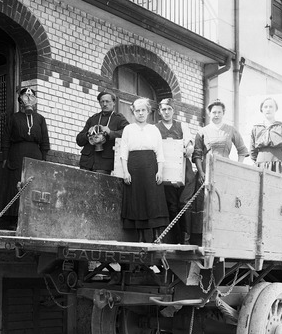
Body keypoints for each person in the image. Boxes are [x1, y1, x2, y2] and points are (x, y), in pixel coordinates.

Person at [0, 87, 50, 229]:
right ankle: (14, 220)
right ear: (20, 100)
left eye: (31, 97)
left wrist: (43, 159)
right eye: (25, 97)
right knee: (16, 185)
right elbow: (6, 139)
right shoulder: (14, 118)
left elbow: (45, 141)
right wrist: (5, 157)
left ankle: (33, 219)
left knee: (33, 185)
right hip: (17, 154)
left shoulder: (40, 119)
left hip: (35, 155)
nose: (28, 99)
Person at [120, 98, 169, 242]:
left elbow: (160, 152)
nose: (140, 113)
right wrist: (126, 172)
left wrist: (159, 171)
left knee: (153, 199)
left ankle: (156, 236)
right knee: (137, 199)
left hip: (151, 166)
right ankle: (140, 237)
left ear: (148, 112)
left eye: (143, 110)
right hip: (134, 167)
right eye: (137, 111)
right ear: (133, 112)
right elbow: (123, 153)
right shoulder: (128, 129)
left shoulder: (154, 129)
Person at [154, 98, 195, 244]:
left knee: (184, 203)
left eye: (169, 109)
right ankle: (175, 238)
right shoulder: (155, 128)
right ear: (159, 111)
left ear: (173, 110)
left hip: (184, 169)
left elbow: (189, 142)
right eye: (163, 109)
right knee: (171, 205)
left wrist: (189, 147)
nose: (166, 112)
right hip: (166, 170)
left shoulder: (182, 126)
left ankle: (186, 237)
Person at [192, 99, 249, 183]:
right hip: (207, 171)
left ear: (223, 113)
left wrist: (237, 167)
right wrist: (201, 172)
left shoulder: (231, 130)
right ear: (209, 113)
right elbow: (197, 155)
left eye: (219, 112)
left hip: (225, 170)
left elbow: (242, 151)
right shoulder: (202, 132)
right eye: (214, 112)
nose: (217, 115)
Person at [76, 90, 129, 174]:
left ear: (114, 102)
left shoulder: (118, 119)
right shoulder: (93, 119)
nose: (104, 104)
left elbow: (128, 133)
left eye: (107, 101)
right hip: (87, 162)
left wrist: (110, 132)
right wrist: (88, 134)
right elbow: (79, 140)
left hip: (104, 164)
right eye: (102, 102)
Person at [249, 96, 282, 175]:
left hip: (279, 166)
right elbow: (252, 151)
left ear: (275, 109)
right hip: (261, 165)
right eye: (265, 107)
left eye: (271, 107)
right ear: (262, 110)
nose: (268, 109)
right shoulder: (256, 128)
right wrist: (259, 162)